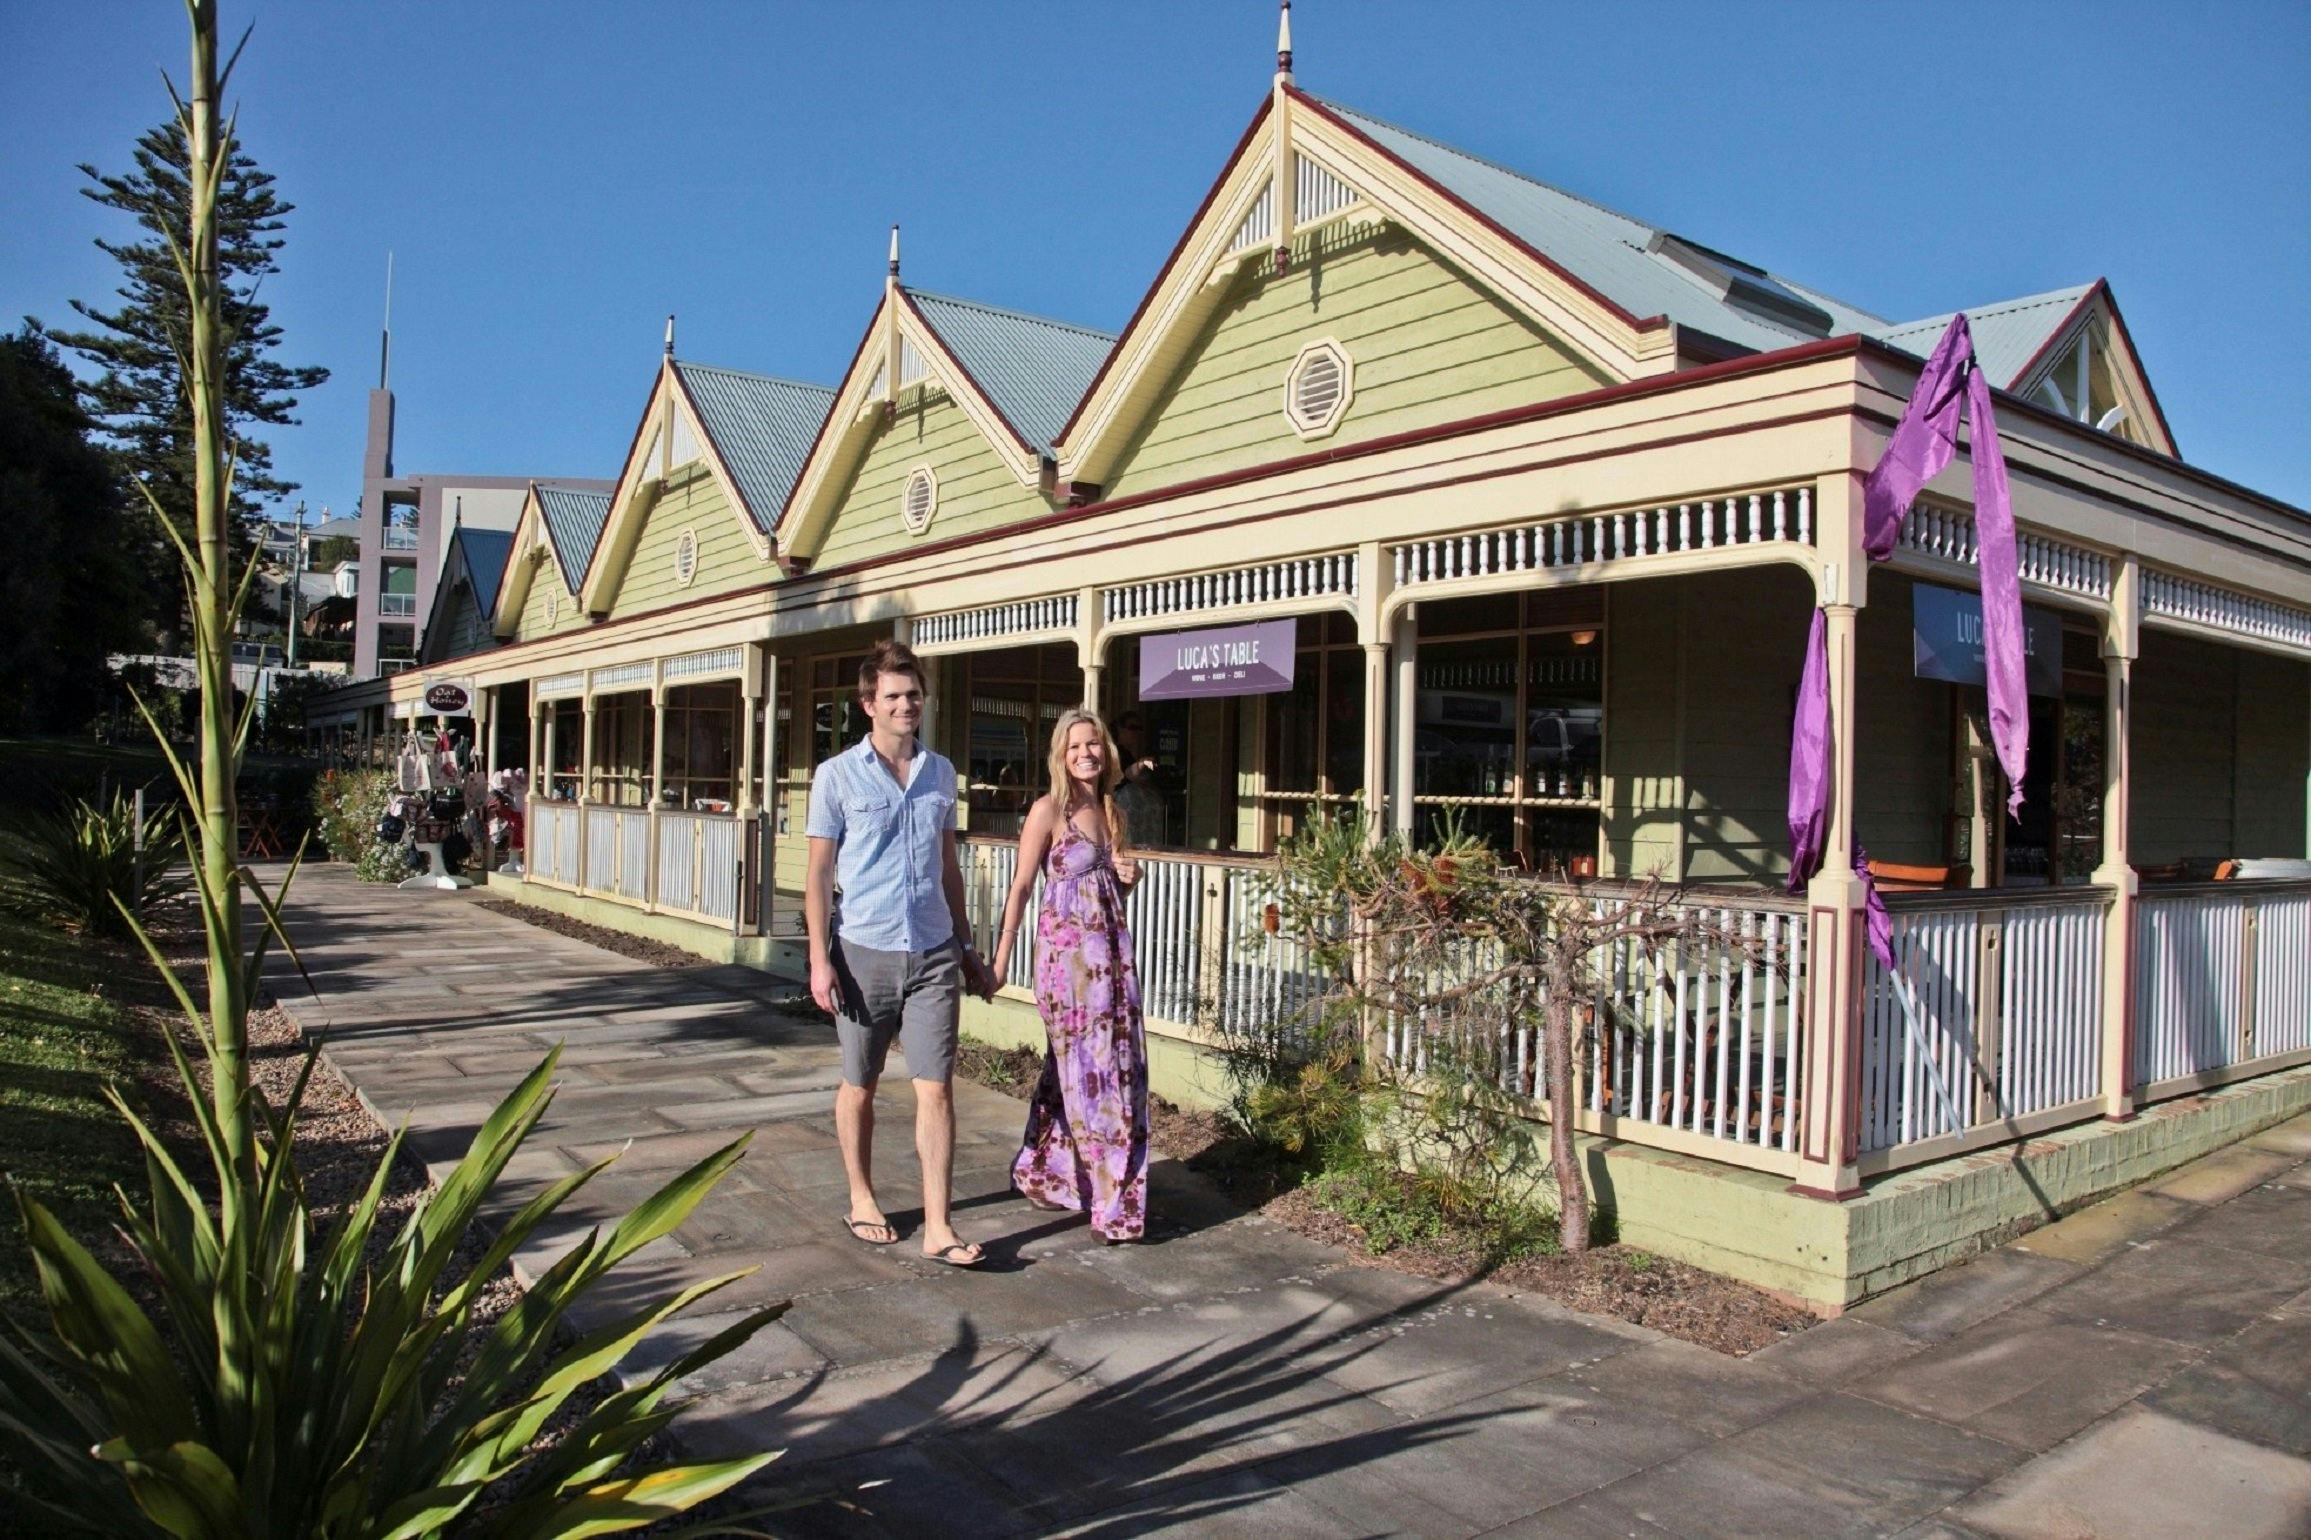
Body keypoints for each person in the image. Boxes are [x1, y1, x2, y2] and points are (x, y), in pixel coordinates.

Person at [806, 640, 998, 1267]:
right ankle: (861, 1196)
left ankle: (938, 1226)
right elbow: (817, 875)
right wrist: (819, 957)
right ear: (868, 705)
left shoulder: (941, 772)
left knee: (936, 1087)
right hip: (863, 950)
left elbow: (949, 868)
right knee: (860, 1082)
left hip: (934, 949)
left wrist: (968, 946)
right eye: (893, 695)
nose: (906, 704)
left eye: (913, 693)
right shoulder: (836, 776)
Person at [991, 708, 1150, 1242]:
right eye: (1075, 746)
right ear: (1061, 754)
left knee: (1090, 1071)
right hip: (1065, 969)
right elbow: (1021, 888)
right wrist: (1000, 957)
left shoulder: (1110, 809)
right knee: (1095, 1075)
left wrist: (1129, 875)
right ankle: (1114, 1204)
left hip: (1111, 959)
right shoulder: (1048, 810)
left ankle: (1046, 1170)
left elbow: (1106, 890)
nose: (1086, 753)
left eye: (1094, 745)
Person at [1112, 710, 1166, 849]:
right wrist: (1141, 764)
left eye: (1140, 729)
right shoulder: (1116, 752)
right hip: (1126, 816)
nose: (1137, 732)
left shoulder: (1130, 752)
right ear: (1120, 729)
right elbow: (1128, 775)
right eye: (1132, 728)